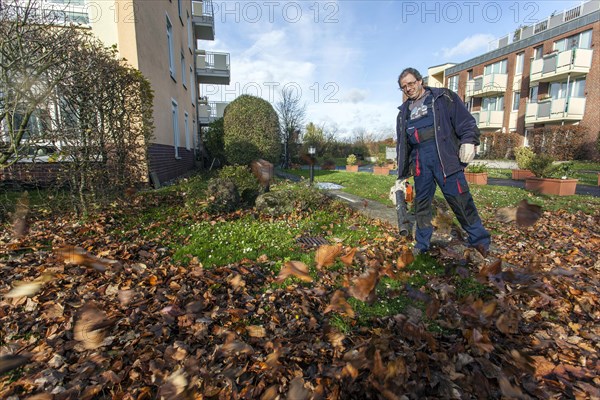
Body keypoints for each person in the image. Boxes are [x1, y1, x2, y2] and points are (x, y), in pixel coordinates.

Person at [395, 67, 490, 257]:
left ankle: (479, 242)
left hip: (444, 156)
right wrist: (402, 172)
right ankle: (421, 244)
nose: (408, 88)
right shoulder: (403, 112)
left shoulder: (443, 98)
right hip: (421, 161)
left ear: (420, 81)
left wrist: (469, 141)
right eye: (404, 87)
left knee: (460, 200)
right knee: (421, 205)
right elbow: (403, 144)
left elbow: (466, 121)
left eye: (411, 83)